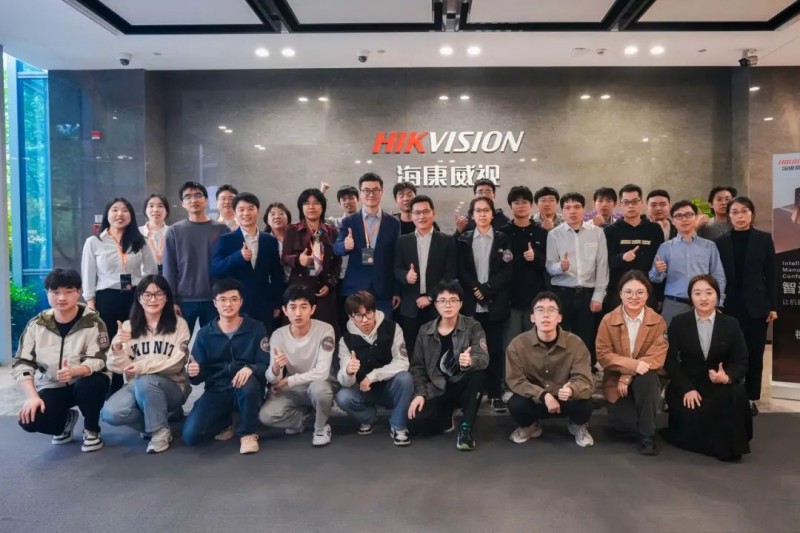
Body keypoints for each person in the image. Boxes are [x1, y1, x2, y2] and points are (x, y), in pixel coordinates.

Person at [13, 268, 110, 452]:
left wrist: (75, 371)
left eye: (68, 291)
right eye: (55, 292)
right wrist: (32, 397)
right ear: (47, 293)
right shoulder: (36, 325)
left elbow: (99, 358)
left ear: (79, 292)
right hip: (52, 384)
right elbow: (22, 362)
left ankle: (91, 429)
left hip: (84, 381)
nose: (62, 298)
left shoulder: (93, 322)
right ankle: (65, 420)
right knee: (29, 419)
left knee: (91, 384)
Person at [663, 275, 752, 461]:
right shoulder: (679, 322)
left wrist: (726, 376)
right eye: (697, 293)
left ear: (717, 296)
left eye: (709, 293)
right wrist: (687, 388)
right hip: (689, 386)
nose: (703, 298)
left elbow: (741, 360)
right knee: (694, 422)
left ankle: (730, 448)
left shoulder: (731, 324)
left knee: (736, 393)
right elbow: (670, 361)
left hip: (717, 385)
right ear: (691, 297)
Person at [101, 275, 191, 453]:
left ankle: (159, 432)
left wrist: (142, 367)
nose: (153, 299)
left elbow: (177, 363)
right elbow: (117, 367)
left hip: (173, 386)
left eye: (159, 294)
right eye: (147, 295)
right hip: (136, 386)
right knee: (110, 413)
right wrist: (117, 347)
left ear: (166, 297)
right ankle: (155, 423)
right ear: (139, 298)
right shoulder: (127, 326)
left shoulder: (179, 324)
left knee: (146, 380)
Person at [182, 278, 269, 454]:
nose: (228, 304)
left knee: (248, 384)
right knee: (191, 435)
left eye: (233, 299)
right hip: (217, 389)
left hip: (247, 387)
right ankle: (226, 421)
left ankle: (248, 433)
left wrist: (251, 368)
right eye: (223, 299)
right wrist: (193, 372)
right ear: (215, 303)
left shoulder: (256, 328)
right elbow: (197, 378)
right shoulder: (205, 334)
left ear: (241, 302)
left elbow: (264, 363)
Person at [81, 197, 158, 396]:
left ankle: (140, 385)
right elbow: (88, 273)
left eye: (125, 210)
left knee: (137, 338)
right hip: (106, 298)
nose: (120, 214)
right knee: (109, 342)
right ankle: (113, 386)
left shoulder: (139, 241)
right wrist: (90, 301)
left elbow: (151, 270)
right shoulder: (94, 242)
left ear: (131, 215)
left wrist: (146, 291)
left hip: (135, 298)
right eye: (115, 210)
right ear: (107, 214)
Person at [505, 291, 595, 447]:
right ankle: (530, 426)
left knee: (585, 402)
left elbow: (585, 379)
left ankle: (577, 425)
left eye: (551, 310)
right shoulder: (518, 344)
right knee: (516, 404)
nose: (545, 315)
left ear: (559, 317)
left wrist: (572, 389)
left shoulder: (575, 343)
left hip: (565, 399)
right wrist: (543, 395)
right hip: (537, 401)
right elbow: (515, 380)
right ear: (532, 317)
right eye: (540, 310)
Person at [407, 280, 489, 451]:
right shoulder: (425, 330)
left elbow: (484, 358)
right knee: (414, 424)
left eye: (453, 300)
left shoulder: (473, 326)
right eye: (442, 301)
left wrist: (471, 361)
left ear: (460, 303)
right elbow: (417, 367)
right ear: (436, 304)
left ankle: (466, 428)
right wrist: (420, 394)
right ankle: (445, 417)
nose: (448, 305)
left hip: (462, 385)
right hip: (436, 388)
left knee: (478, 373)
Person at [715, 197, 777, 415]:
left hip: (756, 305)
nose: (740, 216)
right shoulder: (720, 242)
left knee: (754, 352)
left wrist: (773, 306)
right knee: (728, 351)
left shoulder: (764, 239)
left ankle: (750, 397)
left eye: (744, 211)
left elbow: (772, 273)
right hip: (729, 305)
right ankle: (729, 393)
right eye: (735, 212)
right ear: (729, 216)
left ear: (752, 213)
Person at [596, 271, 667, 455]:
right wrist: (632, 367)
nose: (634, 297)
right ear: (620, 294)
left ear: (647, 295)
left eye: (640, 292)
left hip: (645, 379)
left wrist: (628, 375)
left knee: (647, 378)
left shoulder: (658, 321)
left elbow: (657, 356)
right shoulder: (608, 320)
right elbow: (603, 355)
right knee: (623, 423)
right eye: (628, 292)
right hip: (616, 380)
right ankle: (643, 421)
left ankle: (647, 437)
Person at [260, 285, 336, 447]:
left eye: (304, 307)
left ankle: (321, 427)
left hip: (319, 383)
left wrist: (288, 381)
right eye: (293, 307)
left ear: (312, 309)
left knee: (320, 390)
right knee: (266, 416)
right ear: (284, 310)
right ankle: (305, 418)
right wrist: (275, 369)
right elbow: (274, 379)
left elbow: (322, 372)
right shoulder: (278, 335)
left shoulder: (325, 330)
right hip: (294, 387)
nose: (298, 313)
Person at [336, 291, 414, 446]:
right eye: (358, 316)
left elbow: (402, 362)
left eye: (368, 313)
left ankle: (398, 426)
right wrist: (348, 371)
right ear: (351, 317)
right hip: (365, 391)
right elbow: (345, 382)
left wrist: (373, 376)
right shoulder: (345, 340)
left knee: (405, 378)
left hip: (390, 388)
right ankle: (367, 418)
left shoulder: (392, 328)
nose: (365, 320)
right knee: (342, 396)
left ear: (375, 311)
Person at [457, 196, 512, 412]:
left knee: (495, 350)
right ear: (472, 215)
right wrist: (475, 289)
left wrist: (487, 289)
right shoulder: (464, 239)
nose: (482, 214)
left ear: (492, 213)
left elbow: (508, 271)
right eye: (478, 210)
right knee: (469, 350)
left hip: (494, 304)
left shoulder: (502, 239)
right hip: (471, 305)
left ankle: (495, 393)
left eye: (486, 210)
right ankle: (470, 395)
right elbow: (461, 270)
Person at [546, 192, 608, 368]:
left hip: (587, 294)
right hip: (562, 294)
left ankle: (583, 376)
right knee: (560, 338)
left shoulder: (597, 233)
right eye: (567, 208)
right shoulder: (554, 234)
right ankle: (560, 375)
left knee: (584, 339)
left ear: (584, 210)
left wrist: (598, 296)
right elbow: (549, 267)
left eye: (577, 207)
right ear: (562, 211)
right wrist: (560, 267)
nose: (572, 211)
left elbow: (602, 266)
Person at [211, 192, 285, 333]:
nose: (246, 213)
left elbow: (277, 274)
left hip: (264, 306)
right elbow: (215, 269)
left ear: (258, 211)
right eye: (241, 209)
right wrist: (237, 257)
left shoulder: (269, 240)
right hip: (236, 306)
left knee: (263, 342)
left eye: (250, 209)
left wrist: (277, 302)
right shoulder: (226, 240)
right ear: (235, 212)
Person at [162, 181, 230, 333]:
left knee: (214, 341)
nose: (193, 200)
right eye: (188, 197)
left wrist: (226, 296)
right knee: (180, 342)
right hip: (184, 300)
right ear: (182, 203)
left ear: (206, 200)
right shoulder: (174, 231)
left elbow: (227, 266)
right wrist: (171, 300)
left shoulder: (222, 229)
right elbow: (169, 268)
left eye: (198, 195)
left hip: (215, 298)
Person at [394, 195, 457, 355]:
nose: (421, 216)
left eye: (425, 212)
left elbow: (450, 274)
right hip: (410, 306)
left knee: (438, 349)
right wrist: (405, 276)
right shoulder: (403, 241)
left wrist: (430, 297)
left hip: (437, 305)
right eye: (417, 213)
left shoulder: (447, 241)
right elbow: (396, 268)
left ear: (433, 213)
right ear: (411, 216)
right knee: (412, 349)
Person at [333, 172, 401, 316]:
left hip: (384, 289)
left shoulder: (393, 223)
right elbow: (336, 248)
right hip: (356, 289)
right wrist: (345, 245)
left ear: (382, 192)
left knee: (383, 327)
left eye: (375, 190)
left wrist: (396, 290)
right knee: (356, 328)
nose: (371, 194)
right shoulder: (349, 221)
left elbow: (397, 258)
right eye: (366, 190)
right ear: (360, 193)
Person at [649, 200, 726, 325]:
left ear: (695, 217)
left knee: (704, 337)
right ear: (673, 221)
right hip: (674, 304)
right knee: (670, 337)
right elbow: (654, 278)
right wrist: (658, 271)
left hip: (703, 303)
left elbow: (718, 276)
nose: (684, 219)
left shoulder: (709, 246)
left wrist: (718, 303)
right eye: (679, 216)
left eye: (688, 215)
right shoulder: (665, 247)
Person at [282, 188, 341, 333]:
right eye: (307, 203)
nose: (311, 207)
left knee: (326, 332)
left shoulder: (332, 231)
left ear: (323, 207)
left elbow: (337, 263)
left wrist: (330, 284)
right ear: (301, 207)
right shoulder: (292, 230)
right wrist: (298, 259)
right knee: (299, 332)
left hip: (324, 291)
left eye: (316, 203)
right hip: (299, 290)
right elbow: (284, 257)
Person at [499, 186, 549, 346]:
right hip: (510, 299)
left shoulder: (542, 233)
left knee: (535, 344)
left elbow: (548, 265)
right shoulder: (502, 233)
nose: (520, 206)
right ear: (510, 206)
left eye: (524, 202)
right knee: (511, 344)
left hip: (535, 298)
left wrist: (536, 257)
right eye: (516, 203)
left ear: (531, 205)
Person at [604, 184, 664, 311]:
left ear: (641, 203)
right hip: (618, 292)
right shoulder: (610, 231)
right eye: (626, 202)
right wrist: (622, 257)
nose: (631, 206)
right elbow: (605, 263)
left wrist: (660, 296)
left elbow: (660, 261)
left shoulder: (655, 230)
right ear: (620, 205)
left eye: (635, 201)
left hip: (647, 291)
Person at [325, 185, 359, 333]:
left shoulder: (366, 222)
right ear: (340, 203)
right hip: (341, 277)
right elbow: (316, 217)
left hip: (361, 276)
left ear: (358, 199)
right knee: (343, 317)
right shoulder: (335, 223)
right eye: (343, 199)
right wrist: (322, 192)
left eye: (351, 198)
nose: (348, 202)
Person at [139, 193, 170, 275]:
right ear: (145, 210)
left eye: (160, 206)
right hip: (143, 279)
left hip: (168, 279)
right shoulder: (138, 233)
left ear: (166, 211)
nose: (155, 209)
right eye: (151, 206)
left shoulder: (172, 233)